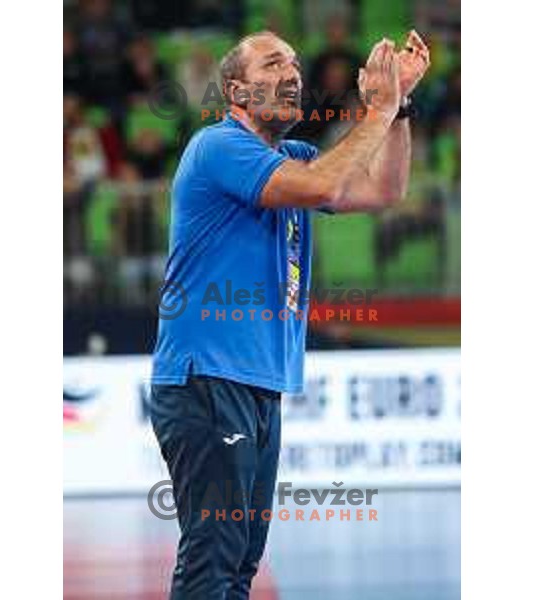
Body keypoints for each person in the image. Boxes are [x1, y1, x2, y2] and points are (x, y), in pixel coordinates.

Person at [149, 30, 430, 599]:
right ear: (236, 90)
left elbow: (384, 192)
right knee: (213, 559)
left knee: (239, 564)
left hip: (254, 384)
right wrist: (377, 107)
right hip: (207, 379)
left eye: (295, 63)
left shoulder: (294, 156)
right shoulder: (217, 146)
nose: (293, 72)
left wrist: (399, 106)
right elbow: (325, 182)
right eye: (273, 63)